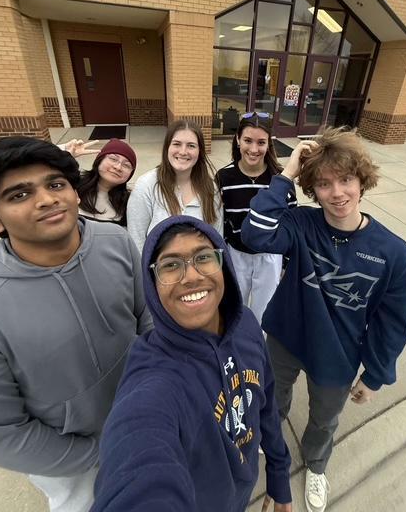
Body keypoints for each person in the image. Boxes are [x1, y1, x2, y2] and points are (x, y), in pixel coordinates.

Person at [241, 127, 406, 512]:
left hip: (337, 354)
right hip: (285, 338)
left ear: (362, 181)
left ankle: (316, 464)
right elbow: (254, 234)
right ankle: (267, 441)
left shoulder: (394, 254)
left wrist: (375, 374)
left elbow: (393, 323)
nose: (337, 193)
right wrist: (286, 175)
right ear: (313, 190)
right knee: (271, 399)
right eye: (323, 184)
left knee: (323, 419)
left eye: (346, 180)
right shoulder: (300, 224)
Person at [0, 136, 152, 512]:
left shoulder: (116, 241)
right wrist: (95, 454)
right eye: (19, 194)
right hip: (73, 468)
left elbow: (147, 317)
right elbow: (0, 433)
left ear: (75, 192)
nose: (46, 199)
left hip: (145, 418)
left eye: (56, 184)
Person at [91, 216, 292, 512]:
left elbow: (266, 404)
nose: (191, 276)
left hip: (242, 489)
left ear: (223, 264)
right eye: (171, 265)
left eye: (204, 257)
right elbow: (137, 450)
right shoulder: (155, 380)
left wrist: (279, 474)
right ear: (151, 283)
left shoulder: (247, 325)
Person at [216, 113, 296, 323]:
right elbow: (220, 222)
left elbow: (291, 223)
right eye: (248, 140)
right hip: (236, 255)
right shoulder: (223, 177)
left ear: (269, 144)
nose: (253, 149)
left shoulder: (281, 179)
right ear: (237, 140)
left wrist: (286, 263)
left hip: (270, 257)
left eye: (261, 142)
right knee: (235, 308)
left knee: (265, 312)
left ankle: (258, 341)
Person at [127, 120, 222, 253]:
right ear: (167, 147)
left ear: (200, 151)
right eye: (177, 144)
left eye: (191, 146)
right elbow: (136, 240)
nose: (183, 151)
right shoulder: (146, 185)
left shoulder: (210, 188)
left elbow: (218, 239)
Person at [63, 138, 137, 227]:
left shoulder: (130, 202)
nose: (118, 167)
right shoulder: (73, 183)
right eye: (113, 159)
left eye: (126, 165)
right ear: (99, 160)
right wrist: (63, 155)